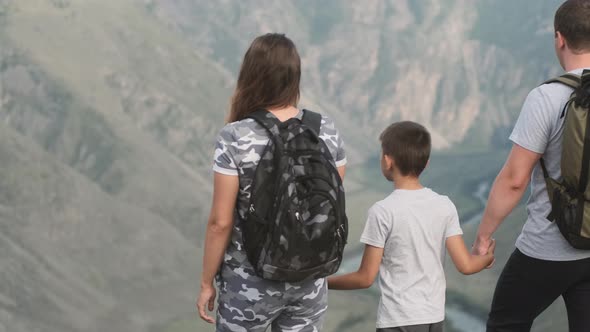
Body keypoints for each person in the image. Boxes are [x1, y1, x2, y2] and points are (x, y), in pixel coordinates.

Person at [196, 33, 347, 332]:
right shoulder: (325, 129)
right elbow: (326, 201)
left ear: (251, 75)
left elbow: (220, 223)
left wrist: (205, 283)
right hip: (310, 280)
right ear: (295, 77)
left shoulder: (235, 136)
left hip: (249, 284)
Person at [472, 1, 590, 331]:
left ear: (559, 39)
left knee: (506, 322)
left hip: (549, 246)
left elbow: (514, 180)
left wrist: (483, 237)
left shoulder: (547, 97)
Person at [328, 121, 495, 332]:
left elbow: (365, 278)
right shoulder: (445, 205)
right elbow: (466, 265)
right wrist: (487, 257)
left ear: (388, 161)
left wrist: (323, 282)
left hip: (398, 321)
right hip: (434, 318)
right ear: (425, 164)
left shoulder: (382, 211)